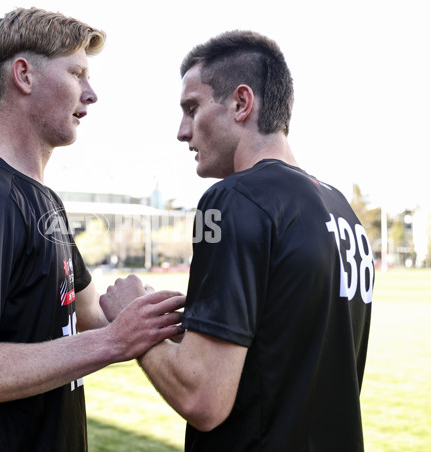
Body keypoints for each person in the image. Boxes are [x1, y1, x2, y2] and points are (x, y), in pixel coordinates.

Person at [0, 7, 184, 452]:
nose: (92, 93)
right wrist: (113, 342)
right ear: (23, 75)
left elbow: (90, 315)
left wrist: (202, 313)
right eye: (77, 73)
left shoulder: (44, 200)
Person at [100, 30, 373, 451]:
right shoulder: (343, 211)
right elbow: (278, 354)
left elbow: (203, 398)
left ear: (241, 103)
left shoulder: (230, 199)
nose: (181, 131)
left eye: (192, 108)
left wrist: (132, 322)